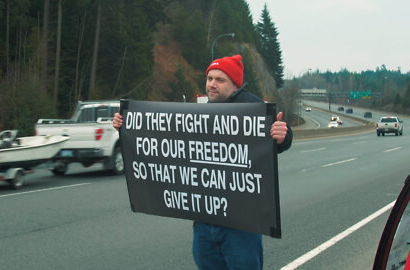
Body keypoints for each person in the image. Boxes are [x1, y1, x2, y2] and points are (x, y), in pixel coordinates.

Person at [113, 54, 292, 270]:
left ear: (235, 84)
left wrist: (283, 134)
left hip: (241, 224)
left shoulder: (253, 107)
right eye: (209, 79)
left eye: (219, 79)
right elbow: (165, 140)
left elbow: (281, 137)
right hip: (205, 220)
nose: (212, 84)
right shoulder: (200, 112)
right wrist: (127, 126)